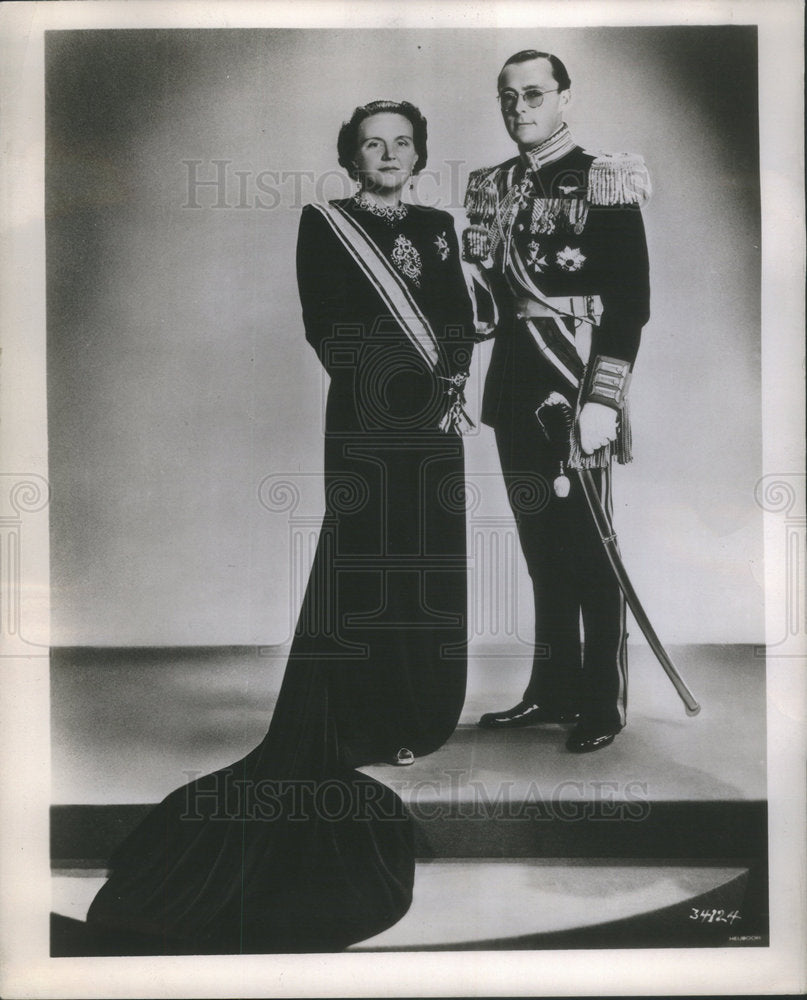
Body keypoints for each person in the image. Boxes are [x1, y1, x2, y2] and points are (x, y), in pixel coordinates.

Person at [85, 100, 475, 953]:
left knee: (426, 560)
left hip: (435, 424)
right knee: (367, 559)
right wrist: (397, 389)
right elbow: (327, 328)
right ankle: (357, 717)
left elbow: (456, 319)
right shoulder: (325, 225)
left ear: (417, 153)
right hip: (371, 419)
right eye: (372, 144)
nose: (389, 154)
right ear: (351, 157)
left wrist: (450, 384)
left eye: (402, 142)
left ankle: (415, 711)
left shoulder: (442, 224)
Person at [462, 50, 650, 753]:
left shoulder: (603, 178)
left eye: (533, 94)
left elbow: (629, 305)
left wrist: (603, 399)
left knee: (589, 551)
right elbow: (487, 304)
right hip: (513, 386)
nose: (519, 108)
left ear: (564, 98)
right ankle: (552, 688)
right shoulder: (490, 186)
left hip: (573, 386)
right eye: (506, 97)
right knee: (542, 547)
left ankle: (600, 701)